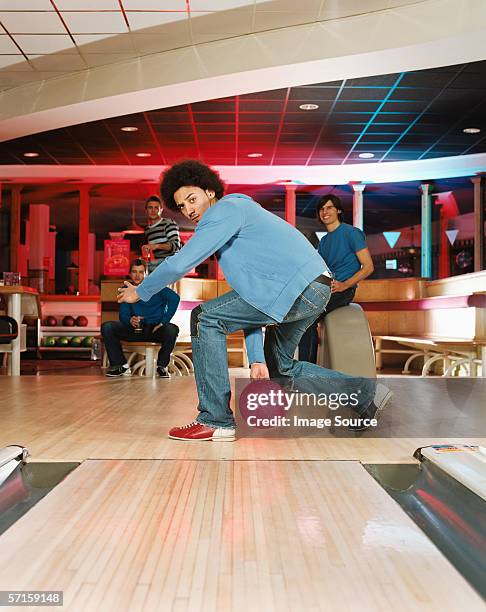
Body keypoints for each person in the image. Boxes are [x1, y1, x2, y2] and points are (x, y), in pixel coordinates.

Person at [118, 161, 392, 441]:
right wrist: (257, 359)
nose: (189, 210)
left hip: (299, 289)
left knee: (204, 318)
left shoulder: (226, 210)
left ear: (210, 192)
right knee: (281, 367)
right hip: (310, 289)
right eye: (182, 206)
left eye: (192, 199)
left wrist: (141, 291)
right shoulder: (233, 231)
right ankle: (365, 395)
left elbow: (181, 262)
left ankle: (215, 420)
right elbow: (252, 302)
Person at [299, 195, 374, 363]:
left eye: (329, 207)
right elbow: (321, 270)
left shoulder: (351, 233)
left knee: (307, 320)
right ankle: (300, 370)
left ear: (338, 210)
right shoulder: (324, 241)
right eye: (322, 209)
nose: (325, 212)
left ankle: (307, 374)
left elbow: (368, 266)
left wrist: (345, 285)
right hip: (327, 289)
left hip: (343, 290)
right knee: (298, 318)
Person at [102, 259, 180, 378]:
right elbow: (123, 315)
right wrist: (129, 320)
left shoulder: (156, 286)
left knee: (172, 329)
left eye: (141, 272)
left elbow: (175, 299)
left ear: (146, 274)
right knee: (107, 327)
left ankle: (162, 366)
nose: (137, 275)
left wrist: (164, 321)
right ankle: (120, 366)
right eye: (134, 272)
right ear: (130, 274)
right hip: (134, 329)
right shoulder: (127, 288)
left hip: (155, 329)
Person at [142, 195, 182, 273]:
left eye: (156, 208)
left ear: (161, 210)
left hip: (172, 263)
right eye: (150, 208)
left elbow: (176, 246)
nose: (153, 211)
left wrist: (156, 246)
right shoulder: (147, 230)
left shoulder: (168, 223)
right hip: (159, 264)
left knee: (146, 268)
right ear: (146, 210)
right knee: (142, 268)